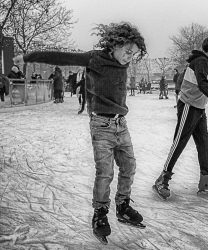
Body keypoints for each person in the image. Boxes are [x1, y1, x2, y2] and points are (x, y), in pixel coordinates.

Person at [13, 22, 147, 244]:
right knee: (105, 172)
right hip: (101, 124)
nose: (129, 57)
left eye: (134, 54)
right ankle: (100, 214)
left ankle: (123, 205)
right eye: (127, 51)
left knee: (129, 165)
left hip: (121, 123)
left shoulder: (122, 63)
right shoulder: (94, 58)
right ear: (115, 44)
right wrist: (28, 57)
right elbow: (60, 57)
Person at [153, 35, 208, 200]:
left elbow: (201, 84)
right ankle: (162, 179)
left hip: (199, 108)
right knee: (180, 141)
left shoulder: (203, 62)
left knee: (203, 142)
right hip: (189, 106)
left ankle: (205, 180)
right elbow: (203, 85)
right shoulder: (201, 61)